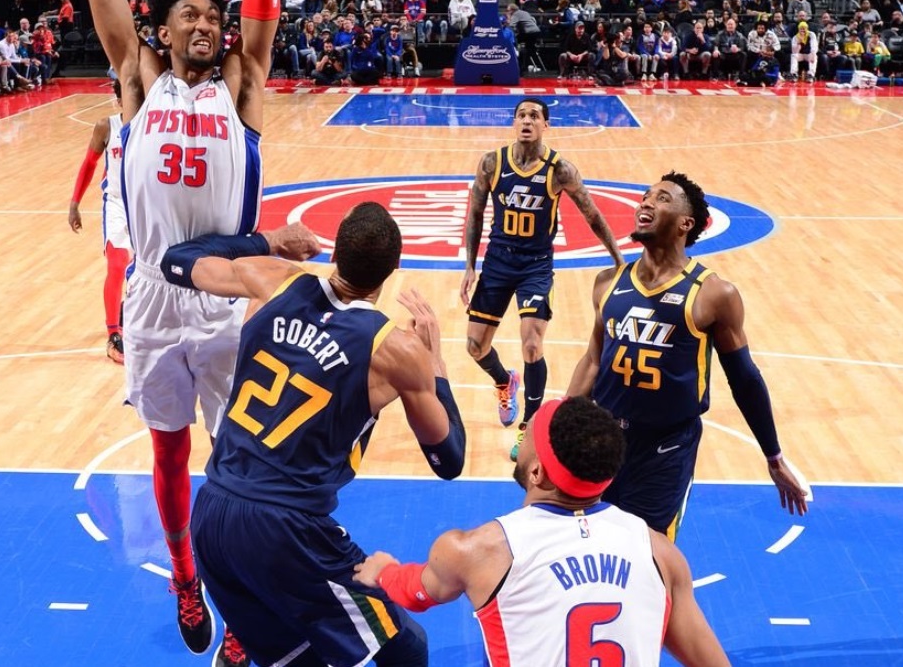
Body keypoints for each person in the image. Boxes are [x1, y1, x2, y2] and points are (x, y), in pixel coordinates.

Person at [79, 0, 283, 665]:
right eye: (188, 14)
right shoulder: (136, 77)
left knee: (236, 467)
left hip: (228, 297)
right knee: (168, 450)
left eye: (212, 13)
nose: (205, 21)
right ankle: (184, 571)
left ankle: (235, 602)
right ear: (159, 31)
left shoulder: (245, 78)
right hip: (155, 303)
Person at [160, 203, 466, 667]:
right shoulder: (396, 351)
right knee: (406, 649)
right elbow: (450, 460)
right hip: (287, 530)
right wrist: (436, 364)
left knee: (297, 659)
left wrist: (266, 241)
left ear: (335, 252)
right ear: (394, 269)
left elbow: (177, 260)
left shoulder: (273, 279)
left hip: (214, 514)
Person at [353, 397, 731, 667]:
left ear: (537, 473)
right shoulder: (660, 554)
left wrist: (383, 570)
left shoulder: (478, 550)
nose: (520, 442)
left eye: (526, 438)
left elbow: (418, 592)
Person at [567, 172, 809, 537]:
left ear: (686, 223)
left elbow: (744, 379)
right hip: (604, 438)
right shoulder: (608, 282)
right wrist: (557, 425)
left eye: (662, 198)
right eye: (646, 196)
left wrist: (773, 456)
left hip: (665, 450)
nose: (646, 202)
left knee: (650, 558)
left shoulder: (714, 295)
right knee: (591, 546)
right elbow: (592, 360)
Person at [460, 98, 624, 461]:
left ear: (546, 125)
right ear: (513, 122)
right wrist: (470, 265)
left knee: (532, 344)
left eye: (534, 115)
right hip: (498, 261)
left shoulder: (560, 169)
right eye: (521, 115)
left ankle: (530, 426)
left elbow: (592, 214)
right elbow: (474, 214)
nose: (527, 120)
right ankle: (505, 381)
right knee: (474, 347)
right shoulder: (492, 162)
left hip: (535, 264)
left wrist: (617, 258)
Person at [67, 87, 131, 364]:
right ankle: (113, 334)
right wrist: (74, 202)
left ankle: (130, 312)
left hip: (146, 205)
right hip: (116, 202)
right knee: (117, 265)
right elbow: (90, 163)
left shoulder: (153, 125)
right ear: (118, 100)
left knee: (145, 269)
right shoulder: (107, 126)